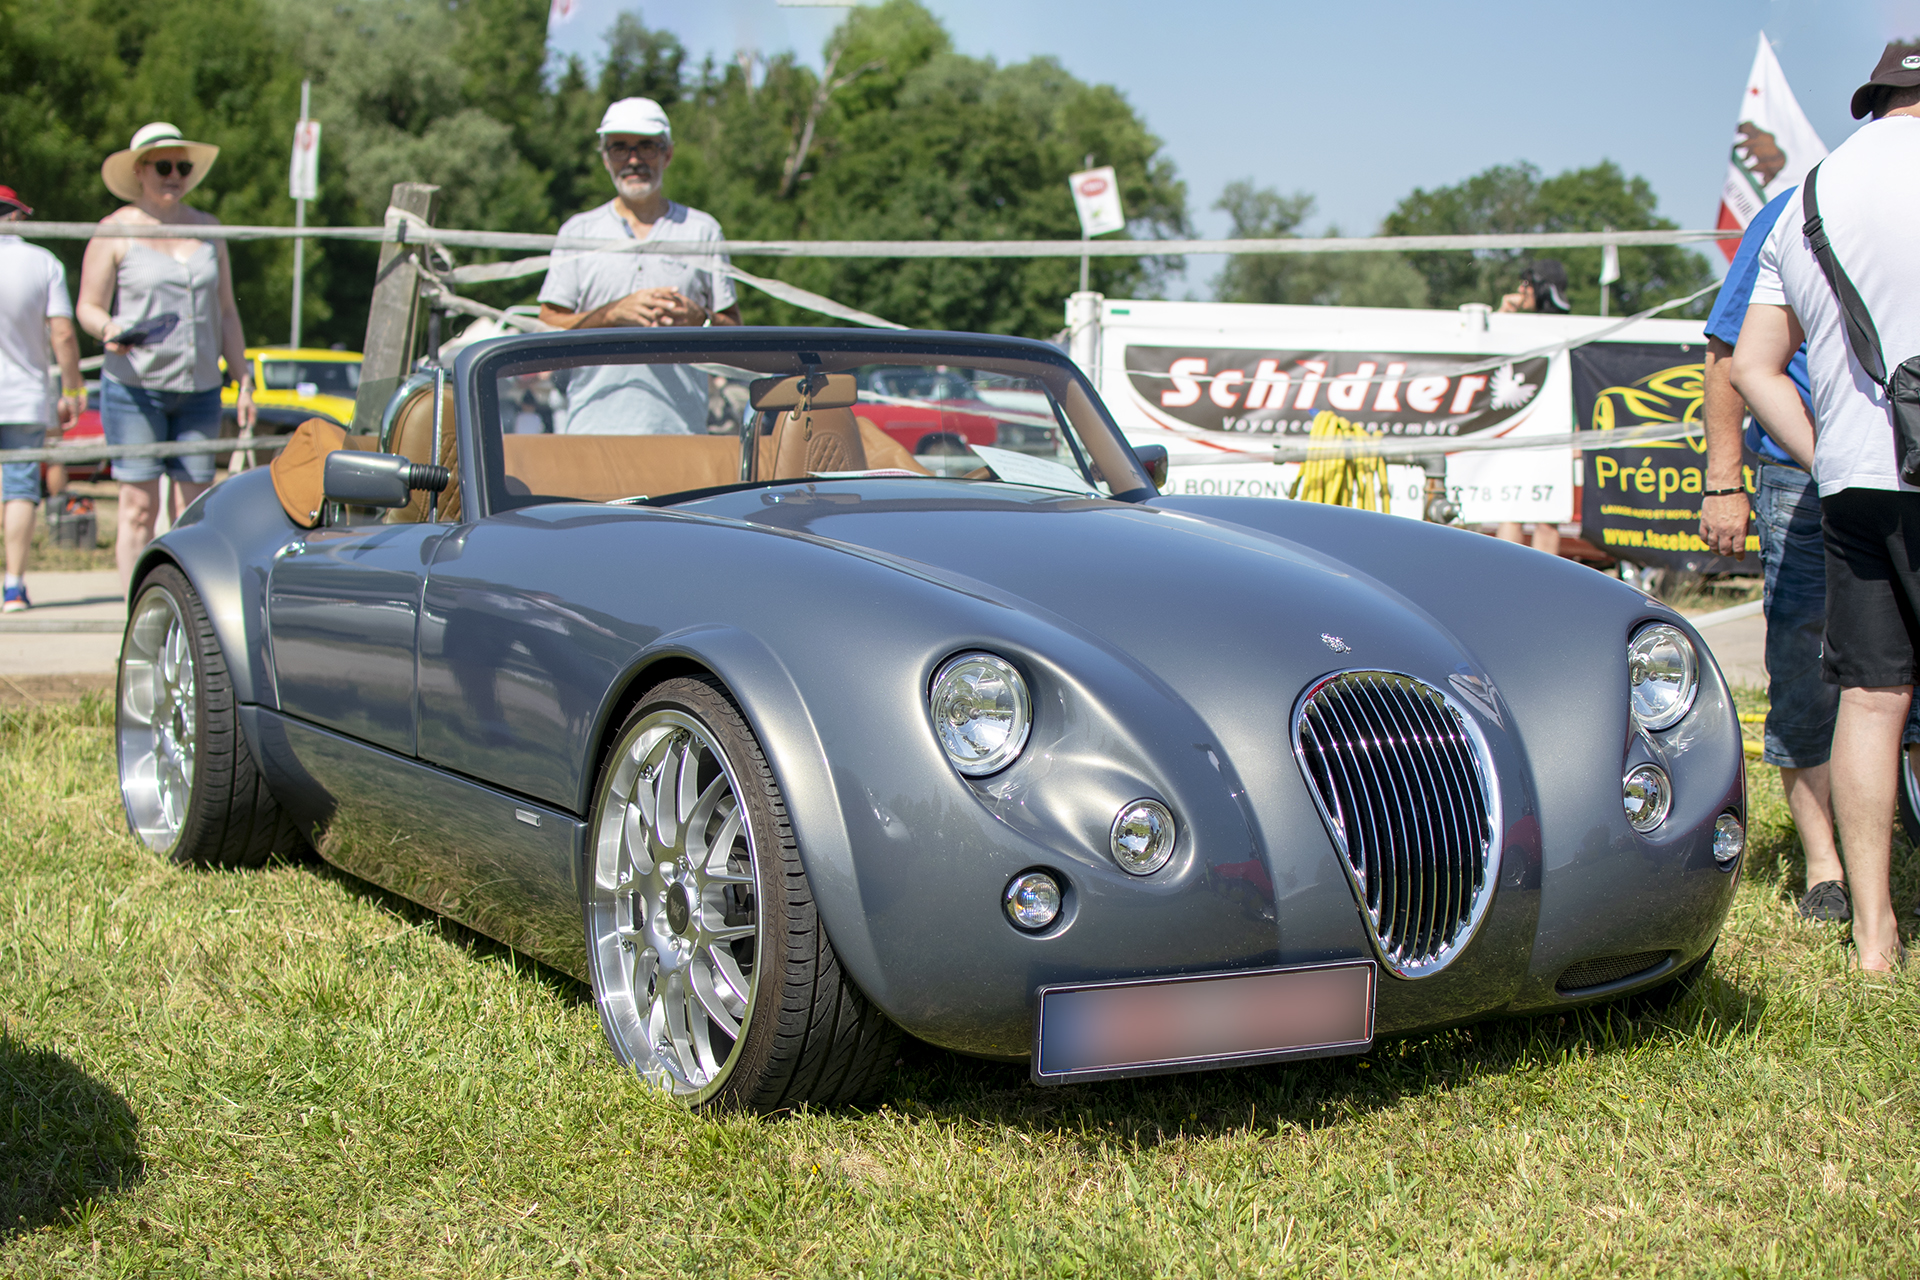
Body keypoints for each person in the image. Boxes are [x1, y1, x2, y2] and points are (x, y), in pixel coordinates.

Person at [1732, 41, 1920, 972]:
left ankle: (1875, 935)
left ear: (1875, 98)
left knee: (1872, 700)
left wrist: (1834, 449)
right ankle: (1851, 892)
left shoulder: (1807, 197)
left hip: (1851, 481)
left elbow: (1749, 364)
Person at [76, 122, 255, 586]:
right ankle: (136, 610)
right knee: (138, 509)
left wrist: (244, 380)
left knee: (194, 513)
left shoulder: (209, 228)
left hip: (199, 389)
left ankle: (184, 610)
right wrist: (109, 328)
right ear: (140, 170)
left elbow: (226, 313)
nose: (174, 174)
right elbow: (87, 307)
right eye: (163, 165)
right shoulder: (114, 229)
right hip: (135, 389)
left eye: (182, 166)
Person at [537, 98, 741, 435]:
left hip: (683, 436)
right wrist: (611, 315)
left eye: (647, 146)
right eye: (620, 148)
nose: (634, 160)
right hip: (591, 434)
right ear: (605, 158)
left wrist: (698, 319)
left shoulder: (703, 230)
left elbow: (736, 339)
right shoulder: (578, 232)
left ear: (668, 154)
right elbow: (545, 330)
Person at [0, 186, 84, 611]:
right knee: (18, 490)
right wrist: (72, 389)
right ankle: (13, 586)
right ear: (16, 216)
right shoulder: (42, 263)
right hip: (21, 397)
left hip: (21, 396)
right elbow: (63, 333)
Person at [1494, 259, 1572, 553]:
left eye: (1526, 284)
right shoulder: (1511, 322)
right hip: (1515, 421)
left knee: (1547, 514)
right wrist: (1504, 314)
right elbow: (1483, 350)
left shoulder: (1565, 325)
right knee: (1510, 506)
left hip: (1554, 426)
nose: (1519, 289)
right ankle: (1503, 581)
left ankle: (1542, 588)